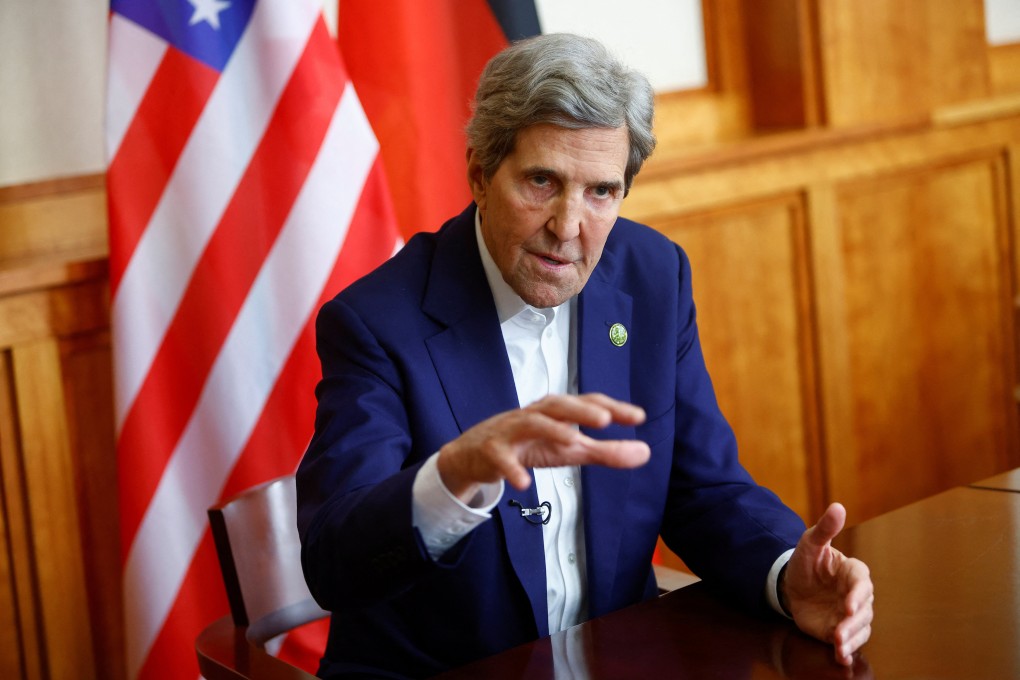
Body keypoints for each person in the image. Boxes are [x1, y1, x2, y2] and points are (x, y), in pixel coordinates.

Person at [296, 33, 873, 679]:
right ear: (481, 175)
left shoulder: (654, 277)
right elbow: (334, 565)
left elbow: (703, 488)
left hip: (617, 657)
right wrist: (456, 473)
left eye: (601, 191)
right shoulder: (378, 321)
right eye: (542, 181)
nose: (569, 226)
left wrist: (786, 575)